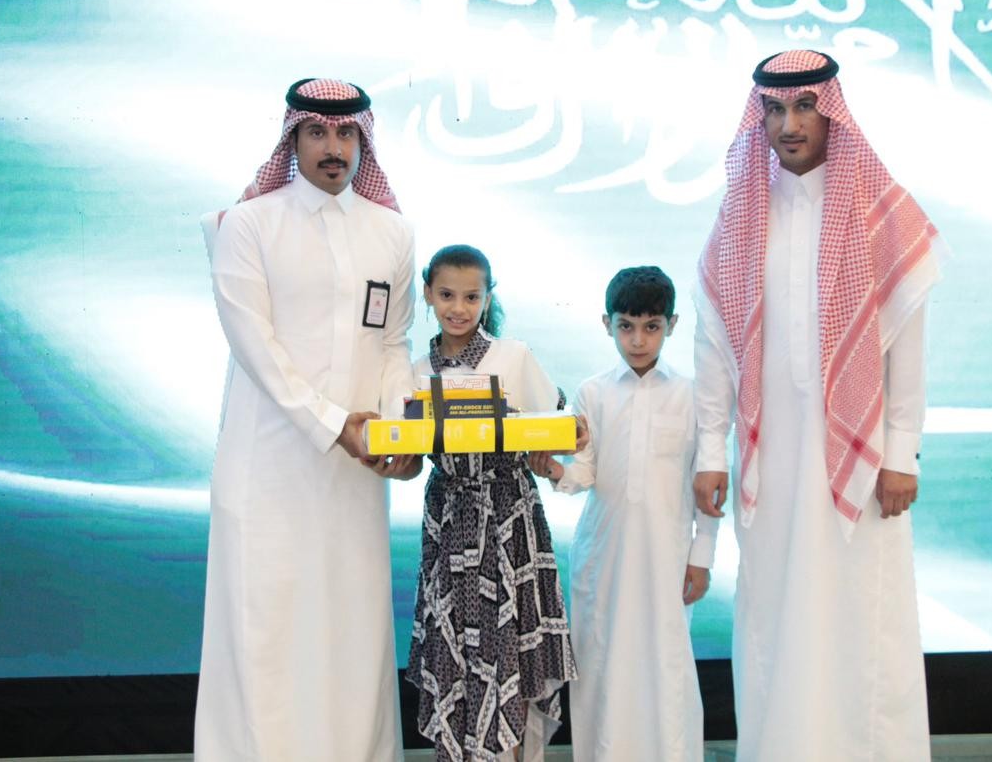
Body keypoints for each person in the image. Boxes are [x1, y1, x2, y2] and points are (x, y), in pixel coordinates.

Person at [693, 49, 948, 761]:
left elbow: (906, 343)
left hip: (863, 469)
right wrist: (711, 452)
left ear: (831, 111)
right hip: (772, 461)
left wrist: (901, 452)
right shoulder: (742, 216)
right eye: (775, 110)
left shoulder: (879, 211)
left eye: (805, 106)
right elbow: (713, 346)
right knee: (776, 618)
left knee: (865, 622)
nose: (790, 124)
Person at [195, 78, 419, 762]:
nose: (333, 148)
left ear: (363, 141)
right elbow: (255, 347)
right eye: (317, 132)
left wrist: (401, 430)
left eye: (346, 133)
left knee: (351, 636)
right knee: (266, 634)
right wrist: (334, 423)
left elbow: (393, 344)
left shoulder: (392, 232)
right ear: (292, 138)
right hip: (267, 469)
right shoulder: (248, 226)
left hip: (355, 477)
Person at [531, 265, 720, 762]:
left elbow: (707, 485)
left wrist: (702, 556)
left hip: (668, 557)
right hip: (604, 557)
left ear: (671, 325)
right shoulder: (592, 392)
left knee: (666, 667)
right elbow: (585, 472)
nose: (638, 340)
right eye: (626, 326)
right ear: (607, 324)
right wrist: (553, 469)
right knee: (602, 666)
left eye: (651, 326)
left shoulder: (693, 396)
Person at [406, 244, 578, 762]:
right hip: (449, 518)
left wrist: (562, 440)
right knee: (456, 646)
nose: (458, 308)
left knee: (513, 645)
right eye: (446, 295)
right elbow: (405, 451)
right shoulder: (414, 369)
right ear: (428, 294)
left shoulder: (513, 356)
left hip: (508, 514)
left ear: (487, 297)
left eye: (471, 297)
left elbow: (561, 424)